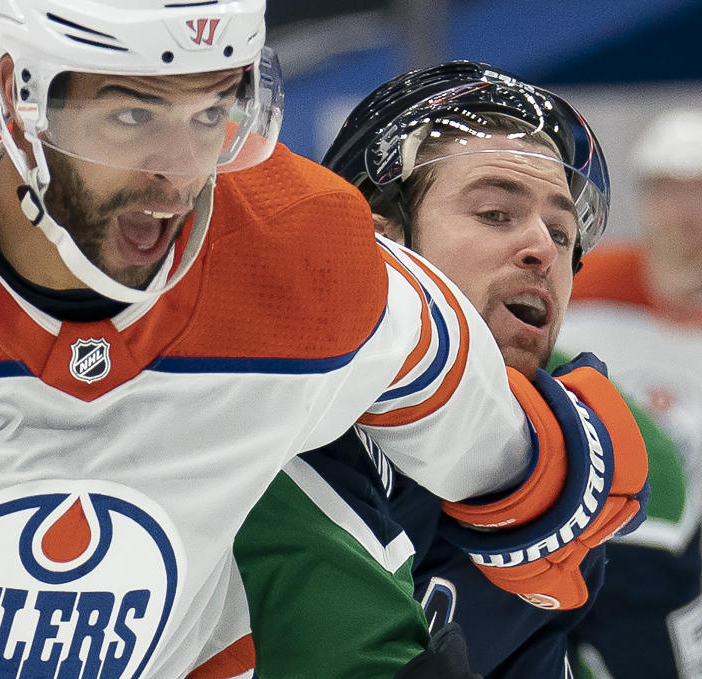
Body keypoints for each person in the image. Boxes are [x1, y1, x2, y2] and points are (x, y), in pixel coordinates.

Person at [0, 4, 646, 677]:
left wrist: (563, 472)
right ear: (21, 103)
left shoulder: (309, 262)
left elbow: (510, 451)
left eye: (213, 112)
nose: (178, 177)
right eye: (133, 116)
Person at [233, 60, 650, 679]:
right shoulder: (261, 409)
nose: (542, 248)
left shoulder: (562, 492)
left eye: (563, 233)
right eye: (494, 214)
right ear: (380, 242)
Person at [557, 108, 702, 678]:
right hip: (595, 543)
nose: (685, 214)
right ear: (645, 198)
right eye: (669, 192)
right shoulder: (583, 290)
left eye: (698, 193)